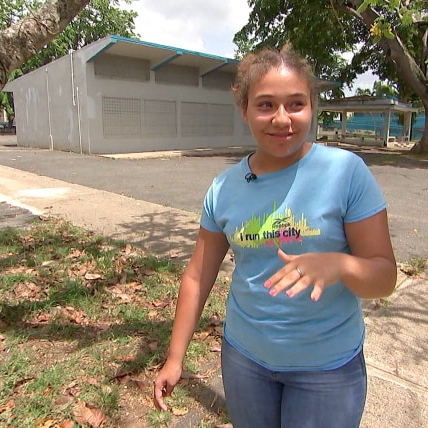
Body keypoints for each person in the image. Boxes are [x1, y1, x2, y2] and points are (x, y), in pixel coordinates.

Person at [153, 45, 397, 427]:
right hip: (245, 361)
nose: (282, 119)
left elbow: (384, 277)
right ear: (244, 110)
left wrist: (341, 264)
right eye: (265, 105)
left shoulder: (347, 173)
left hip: (327, 370)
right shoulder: (224, 188)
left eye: (295, 104)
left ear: (312, 106)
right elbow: (198, 276)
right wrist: (175, 357)